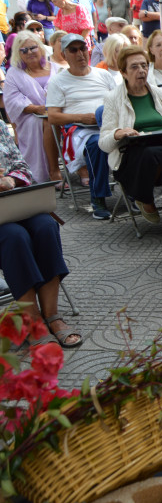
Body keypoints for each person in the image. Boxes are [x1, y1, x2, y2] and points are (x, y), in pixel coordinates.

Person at [0, 124, 80, 347]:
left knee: (46, 225)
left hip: (11, 203)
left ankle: (52, 315)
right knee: (14, 237)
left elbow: (21, 166)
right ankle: (32, 321)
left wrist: (10, 180)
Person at [99, 44, 162, 223]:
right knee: (151, 154)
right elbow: (103, 143)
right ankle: (144, 197)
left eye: (144, 65)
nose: (141, 70)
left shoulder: (161, 95)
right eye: (134, 67)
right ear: (123, 72)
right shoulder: (113, 98)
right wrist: (118, 133)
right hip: (131, 156)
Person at [46, 34, 117, 219]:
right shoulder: (58, 81)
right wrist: (81, 118)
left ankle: (135, 195)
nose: (80, 53)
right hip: (79, 129)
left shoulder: (103, 75)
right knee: (97, 144)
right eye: (73, 50)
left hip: (108, 124)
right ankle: (98, 197)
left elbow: (119, 101)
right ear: (64, 55)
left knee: (130, 141)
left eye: (83, 48)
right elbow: (52, 116)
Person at [4, 30, 63, 184]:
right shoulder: (14, 73)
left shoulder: (56, 68)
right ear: (18, 53)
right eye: (23, 50)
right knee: (47, 122)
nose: (29, 52)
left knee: (54, 120)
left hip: (60, 112)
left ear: (40, 47)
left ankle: (73, 168)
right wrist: (36, 109)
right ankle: (53, 171)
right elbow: (12, 100)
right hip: (29, 116)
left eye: (32, 48)